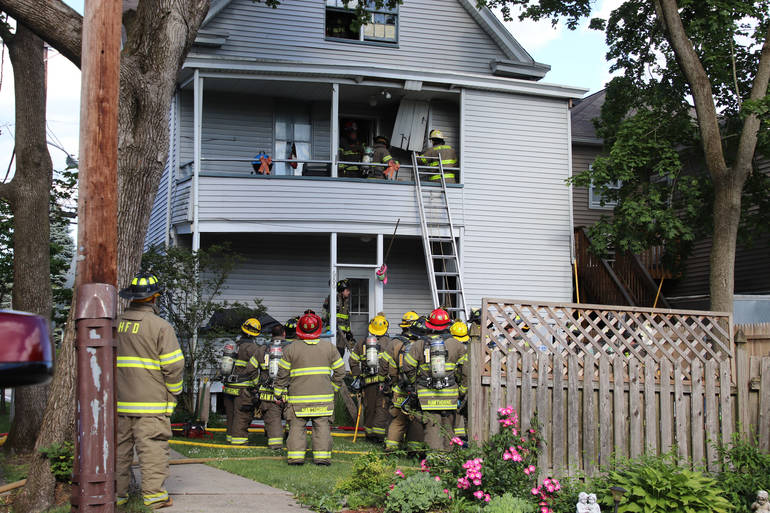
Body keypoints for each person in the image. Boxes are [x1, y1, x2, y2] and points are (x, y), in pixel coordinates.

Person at [116, 273, 184, 509]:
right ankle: (155, 496)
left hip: (119, 403)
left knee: (118, 451)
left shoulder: (115, 324)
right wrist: (173, 394)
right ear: (154, 298)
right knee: (153, 450)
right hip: (152, 404)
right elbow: (174, 366)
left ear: (132, 298)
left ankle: (117, 495)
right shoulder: (161, 327)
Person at [274, 312, 346, 465]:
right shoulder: (329, 348)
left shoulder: (291, 349)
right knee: (322, 427)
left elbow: (282, 374)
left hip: (298, 401)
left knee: (296, 427)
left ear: (300, 329)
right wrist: (333, 387)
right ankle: (322, 458)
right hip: (323, 400)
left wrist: (278, 391)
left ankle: (296, 457)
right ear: (318, 329)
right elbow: (340, 371)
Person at [402, 308, 467, 450]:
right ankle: (449, 458)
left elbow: (407, 367)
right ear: (447, 325)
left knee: (432, 427)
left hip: (427, 395)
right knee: (449, 426)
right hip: (450, 394)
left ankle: (436, 459)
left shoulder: (419, 344)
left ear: (429, 325)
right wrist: (461, 390)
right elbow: (466, 371)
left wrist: (415, 383)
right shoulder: (457, 345)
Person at [383, 311, 425, 452]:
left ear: (403, 326)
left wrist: (393, 383)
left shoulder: (394, 343)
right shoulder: (422, 344)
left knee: (398, 419)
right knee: (417, 420)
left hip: (400, 388)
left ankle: (391, 447)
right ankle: (414, 450)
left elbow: (389, 368)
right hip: (418, 388)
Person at [349, 314, 393, 442]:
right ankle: (379, 435)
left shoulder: (362, 343)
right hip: (383, 382)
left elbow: (353, 361)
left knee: (369, 408)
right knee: (382, 407)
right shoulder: (389, 344)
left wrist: (358, 377)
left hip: (367, 383)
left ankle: (369, 434)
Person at [253, 323, 292, 451]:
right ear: (284, 333)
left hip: (268, 394)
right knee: (293, 420)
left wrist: (256, 384)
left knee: (273, 420)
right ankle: (293, 443)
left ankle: (276, 446)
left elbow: (250, 368)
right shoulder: (292, 348)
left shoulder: (262, 349)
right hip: (289, 392)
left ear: (271, 335)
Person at [223, 318, 261, 445]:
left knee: (231, 415)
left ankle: (230, 438)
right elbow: (253, 369)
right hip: (243, 389)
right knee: (242, 415)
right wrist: (257, 384)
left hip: (229, 387)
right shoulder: (253, 348)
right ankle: (239, 441)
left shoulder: (235, 345)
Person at [449, 320, 470, 439]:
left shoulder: (456, 349)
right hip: (464, 386)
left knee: (460, 413)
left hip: (461, 387)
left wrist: (461, 391)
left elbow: (465, 374)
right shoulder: (467, 348)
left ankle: (460, 438)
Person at [323, 279, 353, 357]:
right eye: (347, 290)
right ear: (342, 290)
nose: (349, 292)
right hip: (333, 332)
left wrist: (349, 332)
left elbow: (347, 318)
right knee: (331, 353)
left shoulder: (346, 301)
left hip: (342, 334)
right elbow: (324, 314)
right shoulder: (331, 298)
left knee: (340, 353)